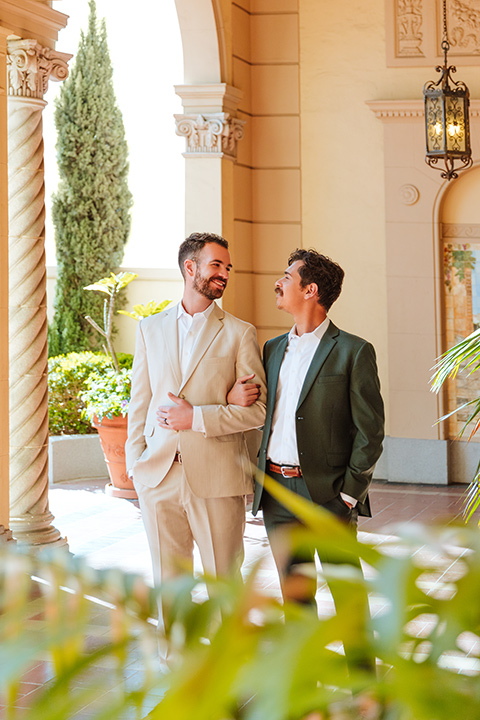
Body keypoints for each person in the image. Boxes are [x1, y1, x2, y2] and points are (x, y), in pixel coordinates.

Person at [234, 247, 384, 670]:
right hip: (278, 493)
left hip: (329, 496)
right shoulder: (272, 348)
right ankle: (306, 690)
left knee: (347, 598)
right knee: (295, 599)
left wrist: (348, 498)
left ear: (310, 289)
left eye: (287, 276)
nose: (278, 283)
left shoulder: (354, 351)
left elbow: (370, 431)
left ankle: (366, 691)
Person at [125, 232, 266, 639]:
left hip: (217, 479)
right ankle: (178, 672)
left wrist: (197, 417)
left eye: (227, 267)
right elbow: (141, 401)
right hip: (159, 475)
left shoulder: (239, 332)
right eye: (216, 265)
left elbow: (256, 411)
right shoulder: (150, 328)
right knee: (169, 583)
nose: (224, 274)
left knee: (225, 583)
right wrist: (136, 464)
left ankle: (228, 678)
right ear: (191, 268)